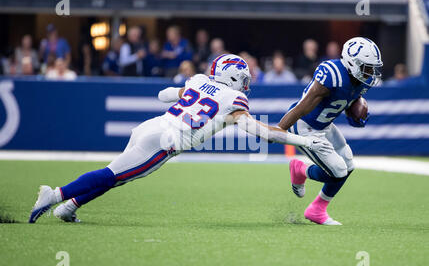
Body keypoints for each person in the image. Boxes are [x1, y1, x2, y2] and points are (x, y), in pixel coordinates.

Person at [28, 53, 332, 223]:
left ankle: (69, 207)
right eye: (244, 80)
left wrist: (185, 92)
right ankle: (55, 195)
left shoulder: (199, 81)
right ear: (234, 77)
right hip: (165, 142)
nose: (246, 87)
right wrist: (304, 143)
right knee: (111, 175)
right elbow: (258, 131)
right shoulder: (234, 100)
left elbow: (162, 94)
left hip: (150, 127)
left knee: (117, 174)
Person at [277, 37, 383, 225]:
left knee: (348, 163)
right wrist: (279, 130)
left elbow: (346, 99)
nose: (370, 73)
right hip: (305, 125)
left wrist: (354, 111)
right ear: (353, 63)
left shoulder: (360, 80)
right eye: (367, 67)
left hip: (325, 125)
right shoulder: (332, 74)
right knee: (338, 170)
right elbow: (302, 107)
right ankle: (301, 170)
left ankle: (317, 209)